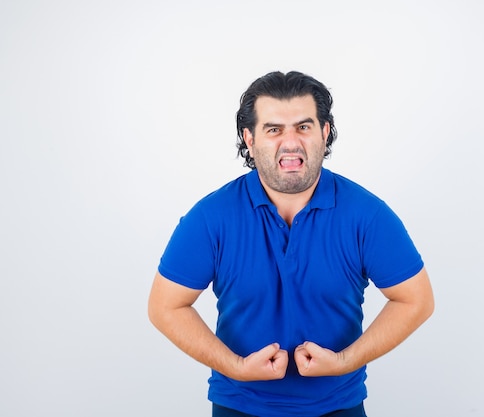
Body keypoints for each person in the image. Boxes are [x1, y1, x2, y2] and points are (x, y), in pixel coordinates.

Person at [148, 70, 434, 417]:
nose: (291, 141)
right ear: (249, 138)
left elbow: (416, 299)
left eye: (303, 126)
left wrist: (346, 361)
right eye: (273, 129)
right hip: (238, 406)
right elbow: (166, 306)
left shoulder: (367, 215)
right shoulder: (210, 217)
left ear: (324, 133)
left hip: (339, 407)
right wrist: (236, 366)